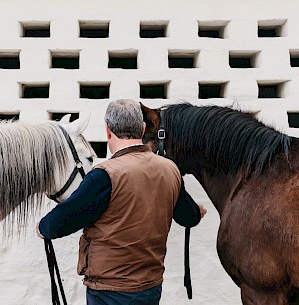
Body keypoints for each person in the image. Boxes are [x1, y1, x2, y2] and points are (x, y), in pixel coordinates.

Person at [36, 99, 207, 305]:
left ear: (108, 130)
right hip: (150, 287)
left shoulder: (104, 176)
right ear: (143, 128)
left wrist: (42, 227)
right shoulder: (170, 169)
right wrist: (198, 211)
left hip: (109, 291)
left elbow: (59, 223)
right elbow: (188, 217)